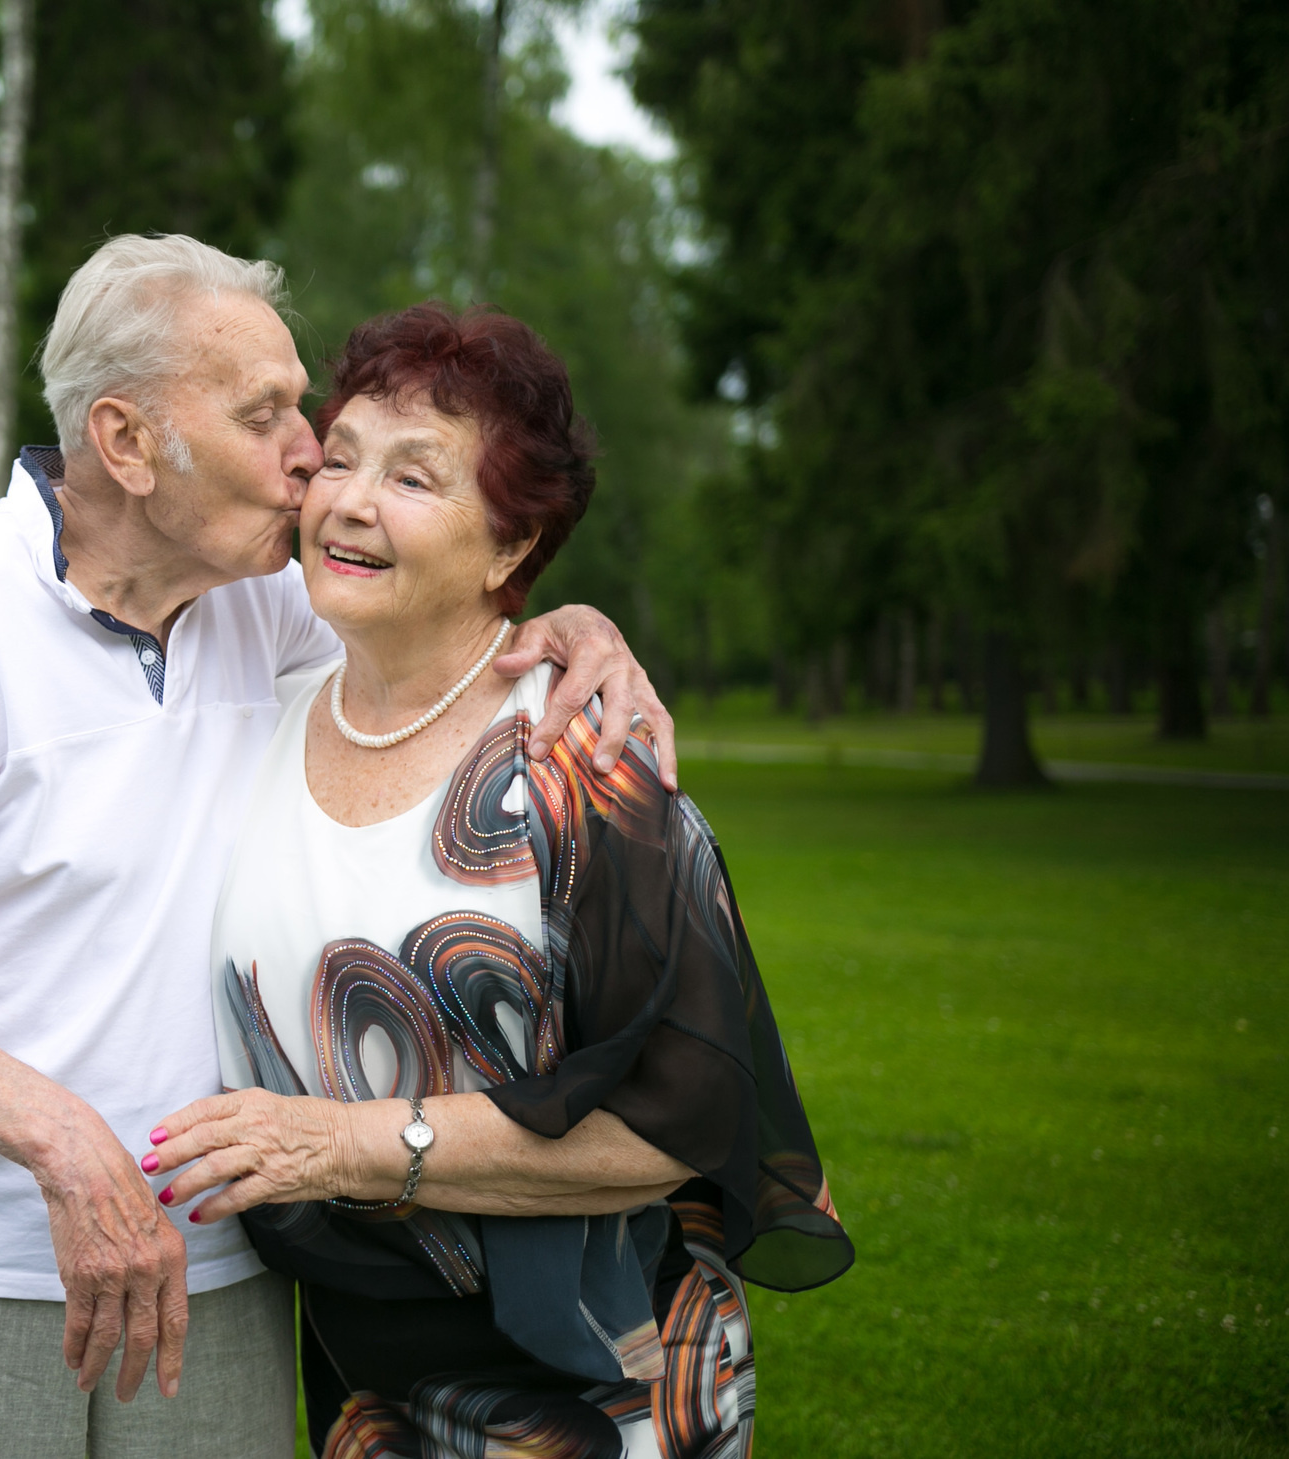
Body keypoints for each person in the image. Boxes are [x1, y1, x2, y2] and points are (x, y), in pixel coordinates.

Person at [0, 236, 684, 1459]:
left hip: (225, 1258)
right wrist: (65, 1147)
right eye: (264, 414)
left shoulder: (270, 599)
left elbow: (445, 622)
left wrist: (572, 623)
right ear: (125, 443)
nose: (309, 450)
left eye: (299, 404)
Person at [147, 305, 852, 1458]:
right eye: (339, 460)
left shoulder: (580, 767)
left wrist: (338, 1146)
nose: (351, 502)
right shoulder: (253, 724)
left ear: (510, 549)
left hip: (604, 1385)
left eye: (415, 478)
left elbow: (681, 1122)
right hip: (360, 1388)